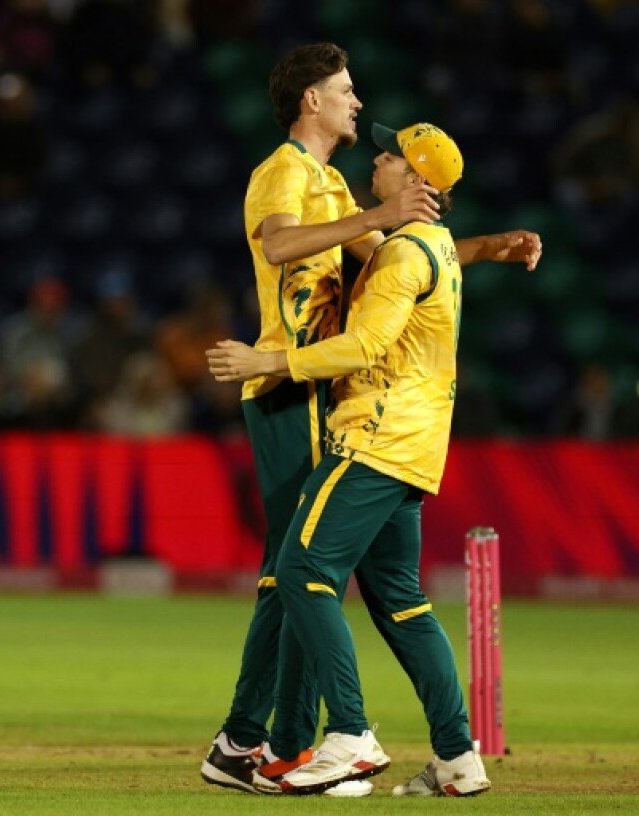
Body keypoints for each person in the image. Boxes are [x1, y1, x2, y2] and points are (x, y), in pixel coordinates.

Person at [198, 42, 541, 796]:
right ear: (311, 100)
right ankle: (268, 739)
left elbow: (401, 256)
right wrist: (384, 215)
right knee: (294, 572)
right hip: (291, 389)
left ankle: (274, 741)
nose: (357, 102)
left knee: (304, 572)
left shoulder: (331, 184)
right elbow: (279, 244)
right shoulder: (285, 170)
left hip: (330, 395)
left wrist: (485, 247)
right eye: (346, 90)